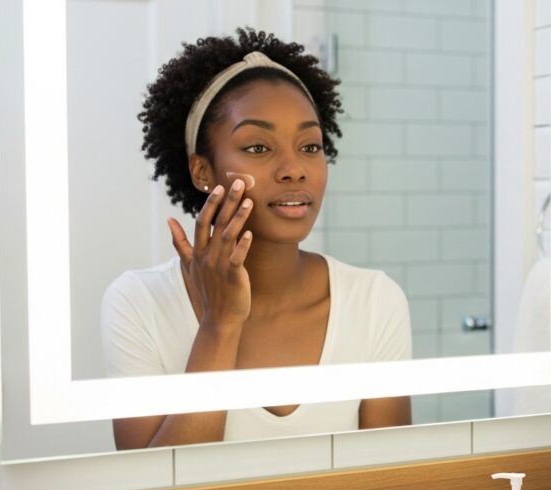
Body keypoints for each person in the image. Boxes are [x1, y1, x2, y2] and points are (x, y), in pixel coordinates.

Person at [101, 29, 412, 450]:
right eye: (258, 148)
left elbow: (390, 486)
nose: (294, 169)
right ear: (202, 171)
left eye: (310, 145)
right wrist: (220, 324)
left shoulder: (374, 301)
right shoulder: (139, 303)